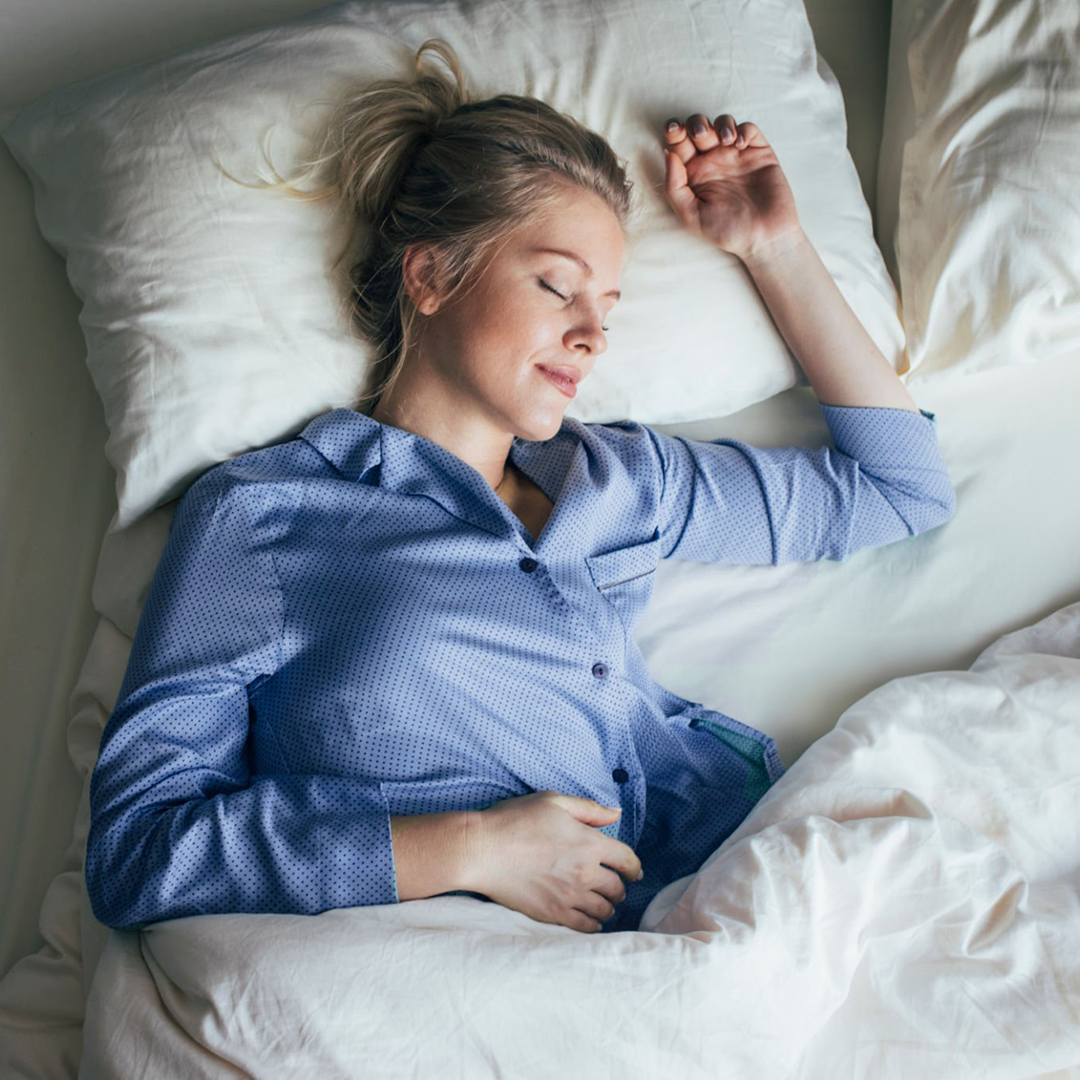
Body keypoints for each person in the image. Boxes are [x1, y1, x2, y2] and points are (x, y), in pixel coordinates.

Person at [85, 39, 956, 937]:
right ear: (430, 275)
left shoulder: (622, 483)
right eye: (556, 286)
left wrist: (775, 248)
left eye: (607, 310)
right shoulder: (267, 515)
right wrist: (470, 848)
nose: (591, 336)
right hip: (453, 967)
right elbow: (139, 851)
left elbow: (902, 490)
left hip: (710, 904)